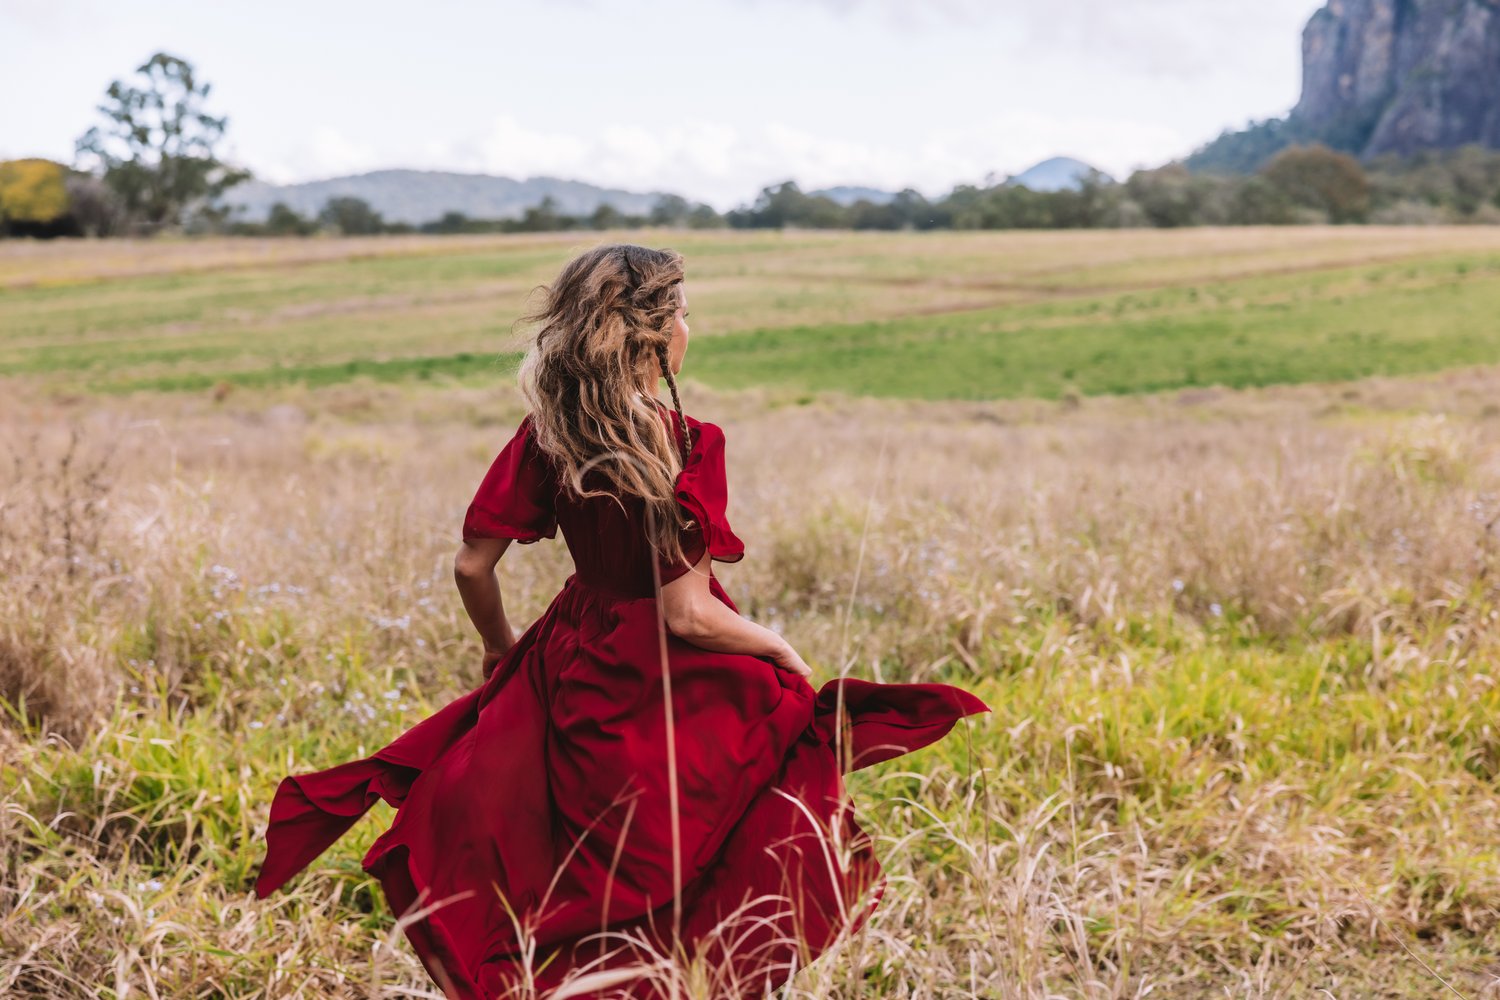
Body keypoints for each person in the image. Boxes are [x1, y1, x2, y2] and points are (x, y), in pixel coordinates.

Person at [252, 243, 991, 999]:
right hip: (664, 677)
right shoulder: (687, 441)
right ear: (657, 332)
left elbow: (472, 565)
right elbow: (688, 616)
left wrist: (501, 650)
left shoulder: (551, 430)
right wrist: (781, 651)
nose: (690, 327)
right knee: (711, 839)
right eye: (686, 313)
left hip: (572, 652)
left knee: (565, 861)